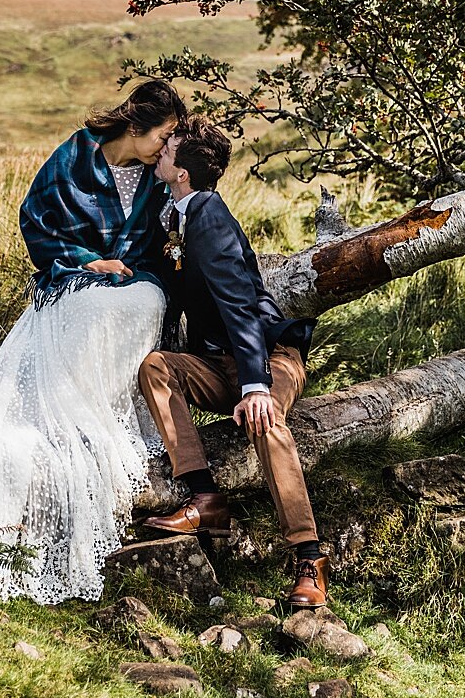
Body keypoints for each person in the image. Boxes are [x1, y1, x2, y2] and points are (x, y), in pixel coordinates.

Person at [0, 79, 186, 604]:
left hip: (135, 282)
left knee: (139, 303)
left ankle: (102, 413)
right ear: (135, 126)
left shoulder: (155, 178)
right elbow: (35, 222)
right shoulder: (73, 156)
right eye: (164, 136)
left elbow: (164, 239)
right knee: (88, 306)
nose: (166, 148)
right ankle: (75, 418)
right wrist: (87, 262)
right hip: (73, 278)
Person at [137, 116, 328, 607]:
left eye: (169, 146)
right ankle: (205, 498)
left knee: (265, 421)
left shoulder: (210, 215)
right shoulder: (176, 212)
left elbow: (240, 302)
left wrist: (255, 385)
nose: (160, 149)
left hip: (268, 355)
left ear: (183, 171)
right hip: (214, 360)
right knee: (156, 368)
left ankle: (308, 555)